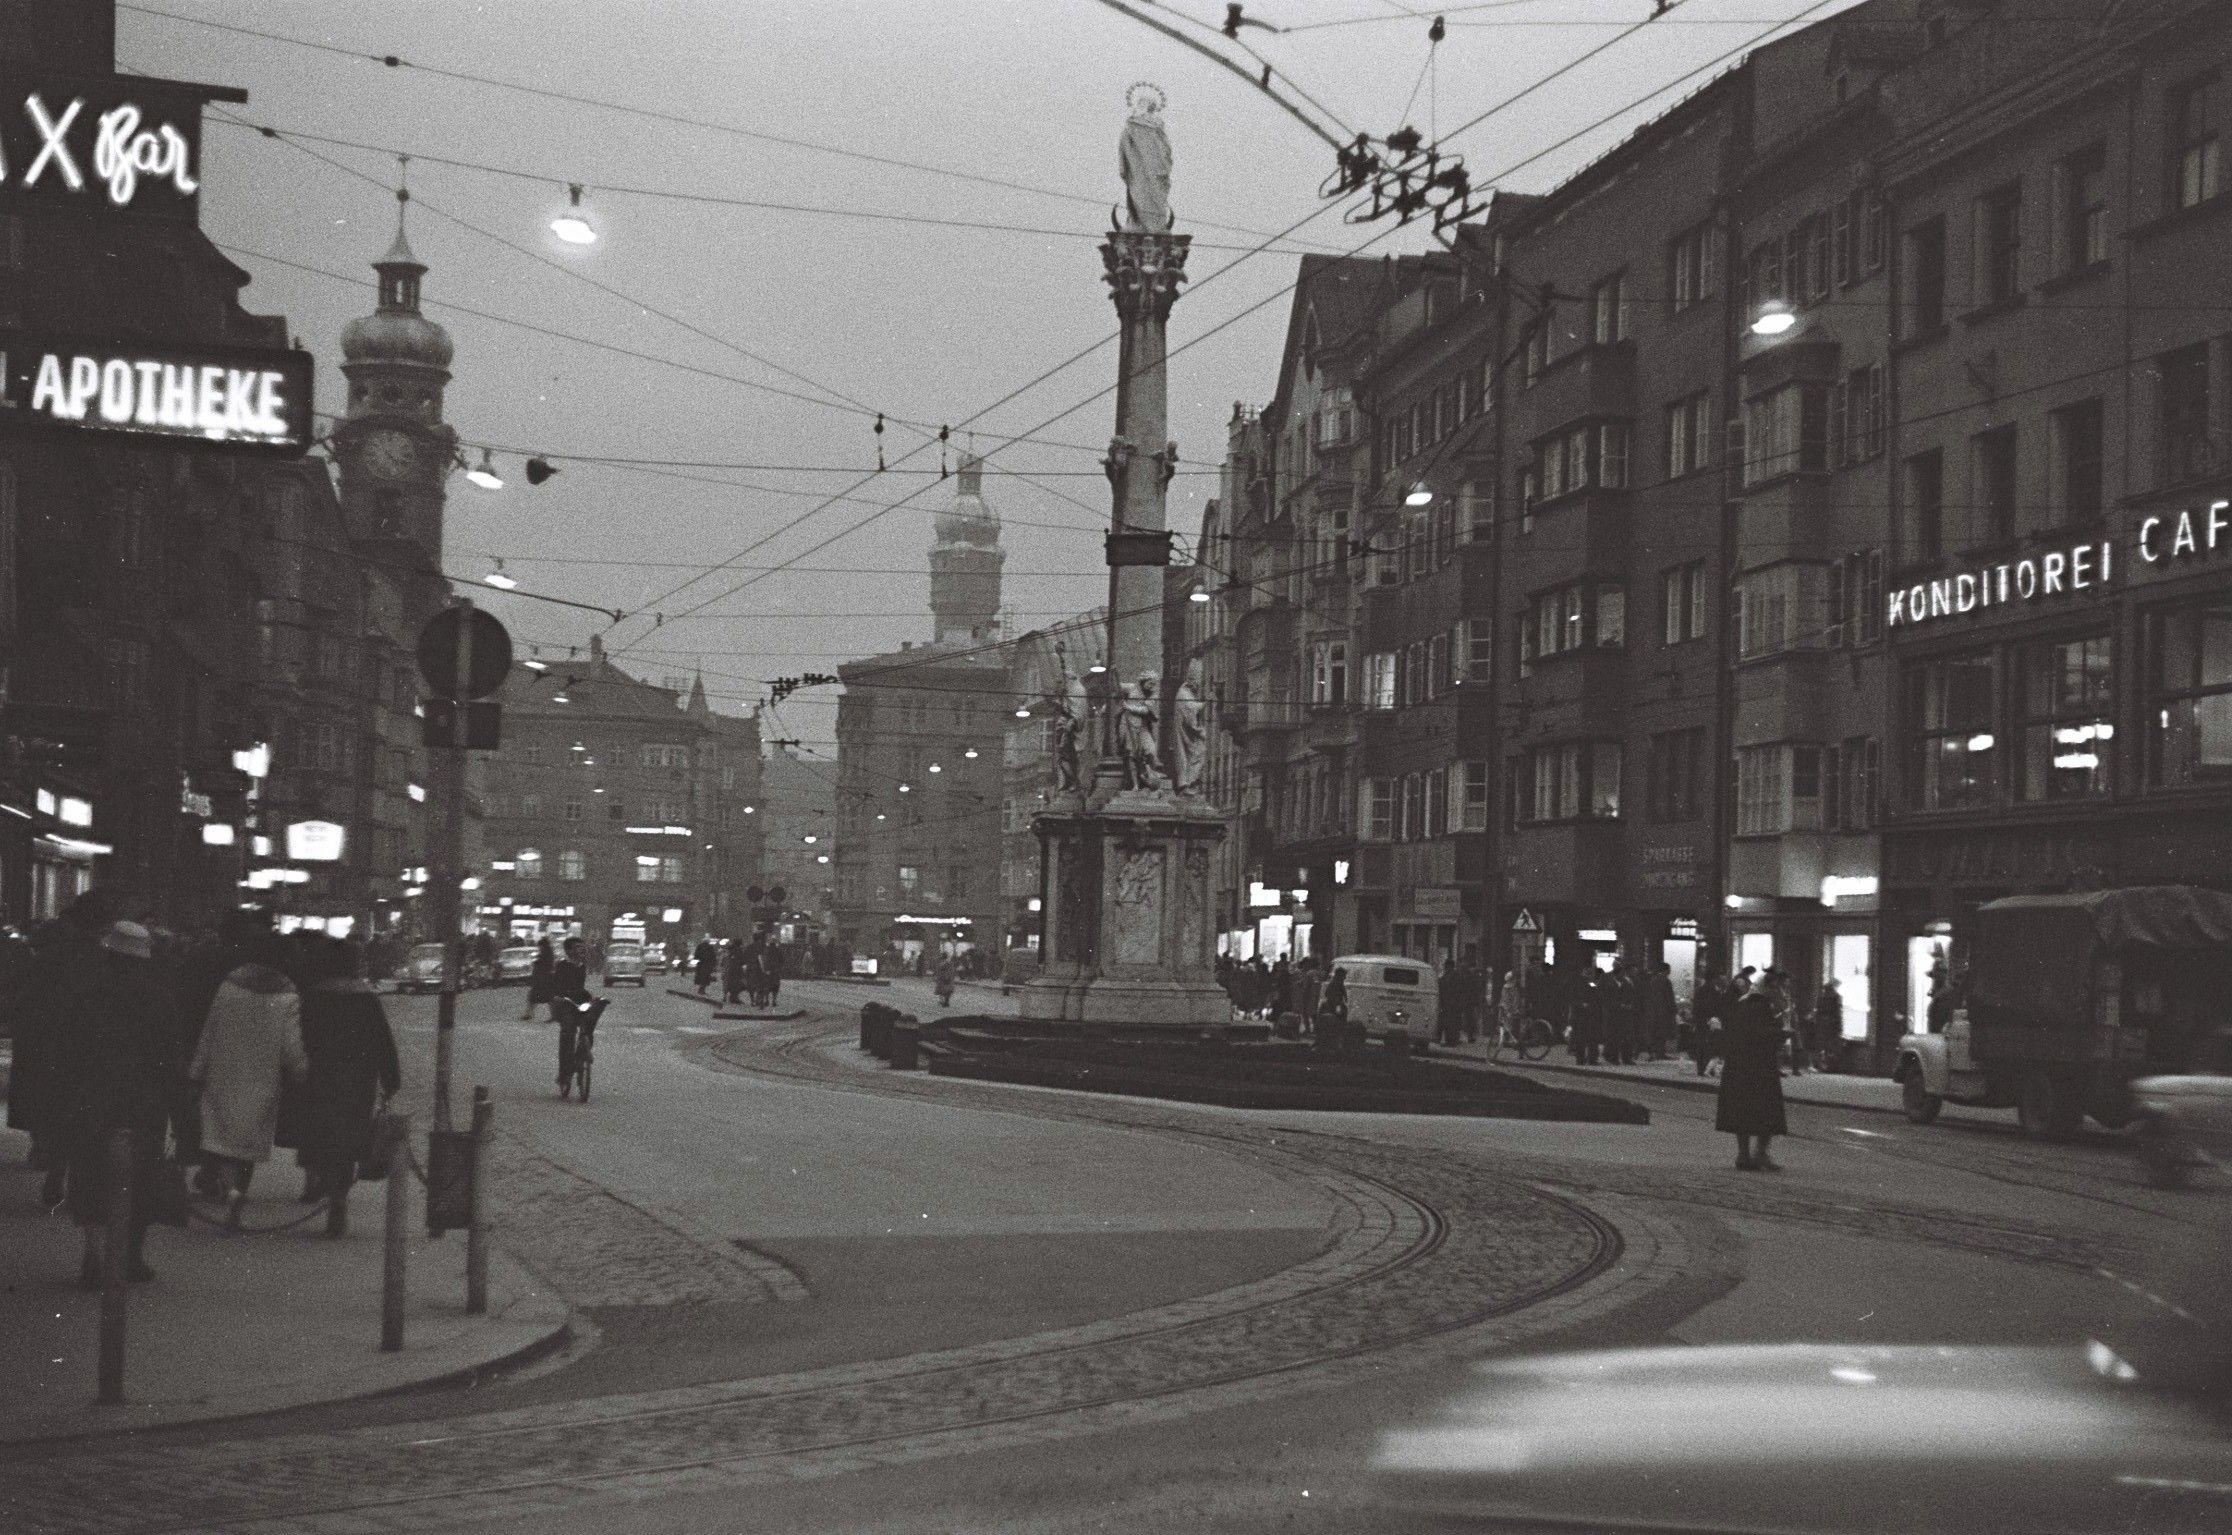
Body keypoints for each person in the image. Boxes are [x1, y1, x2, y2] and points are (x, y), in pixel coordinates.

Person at [56, 919, 176, 1286]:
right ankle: (128, 1257)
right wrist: (185, 1122)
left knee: (90, 1174)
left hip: (92, 1098)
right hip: (144, 1104)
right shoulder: (161, 1000)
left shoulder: (85, 995)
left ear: (108, 954)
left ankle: (93, 1252)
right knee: (140, 1179)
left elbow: (68, 1052)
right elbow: (171, 1064)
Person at [190, 933, 308, 1228]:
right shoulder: (287, 996)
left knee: (222, 1141)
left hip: (223, 1073)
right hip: (262, 1079)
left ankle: (229, 1190)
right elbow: (290, 1046)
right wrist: (301, 1072)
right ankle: (238, 1192)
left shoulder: (229, 986)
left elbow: (210, 1029)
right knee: (246, 1147)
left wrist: (196, 1069)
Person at [286, 937, 399, 1238]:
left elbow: (299, 1038)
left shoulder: (315, 997)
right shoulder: (366, 1000)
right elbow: (383, 1043)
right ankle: (339, 1198)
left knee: (323, 1135)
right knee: (348, 1143)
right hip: (357, 1083)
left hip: (321, 1078)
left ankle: (323, 1182)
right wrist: (391, 1080)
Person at [1717, 975, 1790, 1170]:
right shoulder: (1762, 1007)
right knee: (1766, 1111)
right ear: (1766, 989)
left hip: (1739, 1067)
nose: (1778, 992)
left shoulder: (1743, 1004)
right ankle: (1760, 1154)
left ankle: (1743, 1155)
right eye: (1775, 988)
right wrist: (1782, 1035)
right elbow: (1763, 1035)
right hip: (1759, 1068)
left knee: (1742, 1112)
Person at [553, 937, 597, 1100]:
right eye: (578, 947)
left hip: (580, 1003)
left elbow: (580, 988)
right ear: (569, 950)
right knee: (567, 1033)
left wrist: (590, 997)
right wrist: (558, 996)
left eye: (582, 947)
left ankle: (585, 1051)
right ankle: (564, 1073)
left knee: (590, 1023)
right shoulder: (562, 966)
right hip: (566, 1004)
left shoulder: (581, 967)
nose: (582, 950)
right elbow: (557, 986)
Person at [1642, 961, 1678, 1060]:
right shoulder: (1666, 981)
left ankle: (1653, 1052)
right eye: (1669, 970)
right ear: (1666, 970)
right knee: (1662, 1032)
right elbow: (1669, 997)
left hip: (1653, 1010)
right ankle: (1660, 1053)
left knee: (1654, 1032)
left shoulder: (1653, 980)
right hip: (1663, 1010)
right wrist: (1673, 1009)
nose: (1670, 972)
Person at [1809, 977, 1844, 1074]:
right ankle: (1831, 1066)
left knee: (1820, 1045)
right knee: (1832, 1046)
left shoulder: (1821, 997)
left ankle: (1818, 1065)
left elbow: (1817, 1010)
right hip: (1832, 1023)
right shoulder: (1837, 997)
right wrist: (1840, 1026)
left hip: (1821, 1023)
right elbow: (1838, 1013)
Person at [1316, 965, 1350, 1047]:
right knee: (1338, 1022)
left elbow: (1326, 993)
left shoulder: (1334, 982)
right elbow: (1333, 995)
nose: (1345, 977)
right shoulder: (1337, 982)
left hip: (1333, 1005)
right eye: (1344, 975)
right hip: (1335, 1005)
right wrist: (1340, 1004)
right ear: (1340, 975)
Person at [1436, 958, 1465, 1047]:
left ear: (1450, 966)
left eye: (1446, 966)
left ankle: (1452, 1041)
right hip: (1446, 1003)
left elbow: (1459, 990)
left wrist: (1458, 1002)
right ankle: (1449, 1040)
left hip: (1453, 1003)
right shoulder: (1446, 976)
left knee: (1453, 1023)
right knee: (1447, 1022)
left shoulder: (1456, 976)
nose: (1445, 967)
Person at [524, 936, 555, 1021]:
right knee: (545, 998)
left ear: (542, 945)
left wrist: (535, 962)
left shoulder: (545, 953)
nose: (539, 947)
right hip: (544, 979)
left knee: (537, 997)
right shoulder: (548, 952)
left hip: (543, 980)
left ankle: (529, 1014)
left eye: (539, 946)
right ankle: (529, 1014)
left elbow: (542, 965)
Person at [722, 937, 745, 1008]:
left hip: (730, 970)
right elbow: (742, 960)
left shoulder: (730, 949)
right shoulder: (738, 950)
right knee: (738, 984)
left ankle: (731, 997)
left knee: (731, 983)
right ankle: (734, 998)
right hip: (737, 970)